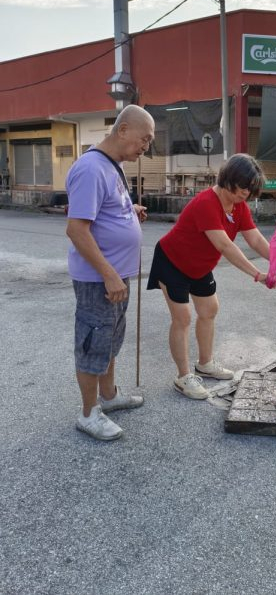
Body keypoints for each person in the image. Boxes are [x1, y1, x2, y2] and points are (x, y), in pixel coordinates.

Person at [147, 153, 276, 400]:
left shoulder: (239, 206)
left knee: (209, 310)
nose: (246, 194)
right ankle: (183, 376)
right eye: (243, 187)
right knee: (182, 318)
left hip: (199, 266)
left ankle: (205, 363)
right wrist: (258, 274)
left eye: (251, 190)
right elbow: (225, 246)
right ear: (229, 178)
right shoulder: (207, 202)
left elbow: (255, 238)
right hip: (171, 261)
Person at [66, 104, 155, 441]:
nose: (146, 146)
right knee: (93, 343)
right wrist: (108, 274)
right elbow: (77, 230)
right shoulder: (91, 168)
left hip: (115, 277)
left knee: (111, 339)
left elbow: (104, 209)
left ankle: (110, 395)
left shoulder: (112, 167)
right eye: (144, 139)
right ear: (122, 130)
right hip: (99, 280)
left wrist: (129, 211)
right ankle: (89, 413)